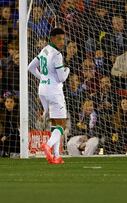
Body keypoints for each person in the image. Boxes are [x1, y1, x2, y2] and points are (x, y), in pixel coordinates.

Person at [27, 28, 68, 164]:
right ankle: (48, 145)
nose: (62, 42)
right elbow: (62, 78)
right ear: (52, 39)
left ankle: (56, 156)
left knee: (54, 123)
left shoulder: (44, 50)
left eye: (63, 39)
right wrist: (67, 69)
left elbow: (31, 68)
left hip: (42, 90)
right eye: (59, 39)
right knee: (62, 124)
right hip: (54, 92)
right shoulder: (57, 55)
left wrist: (43, 78)